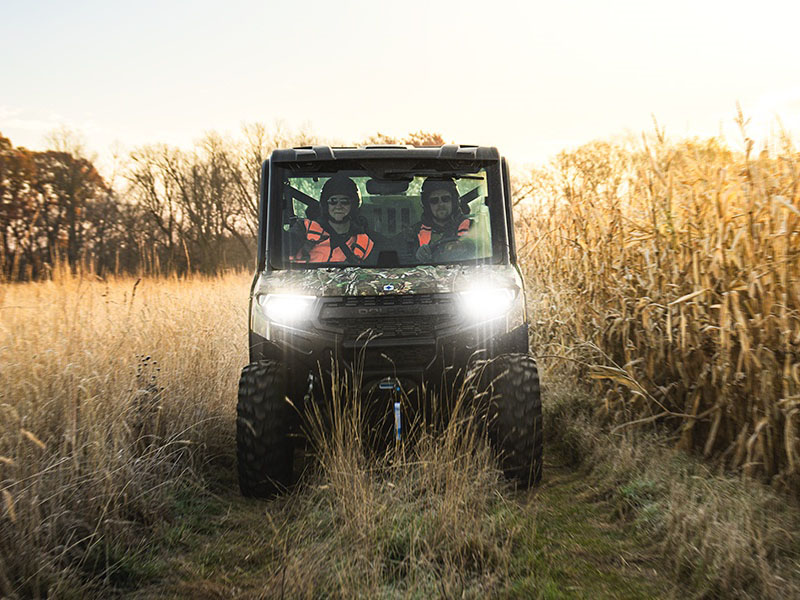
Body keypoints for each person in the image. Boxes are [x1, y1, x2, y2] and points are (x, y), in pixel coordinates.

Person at [290, 175, 375, 263]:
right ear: (326, 205)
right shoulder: (304, 228)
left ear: (353, 206)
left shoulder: (364, 242)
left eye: (344, 202)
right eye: (333, 201)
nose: (338, 206)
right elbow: (283, 248)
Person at [410, 176, 472, 263]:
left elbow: (484, 250)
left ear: (454, 201)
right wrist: (417, 257)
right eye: (434, 201)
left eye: (445, 199)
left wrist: (465, 246)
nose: (440, 204)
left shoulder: (472, 226)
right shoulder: (414, 232)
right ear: (427, 205)